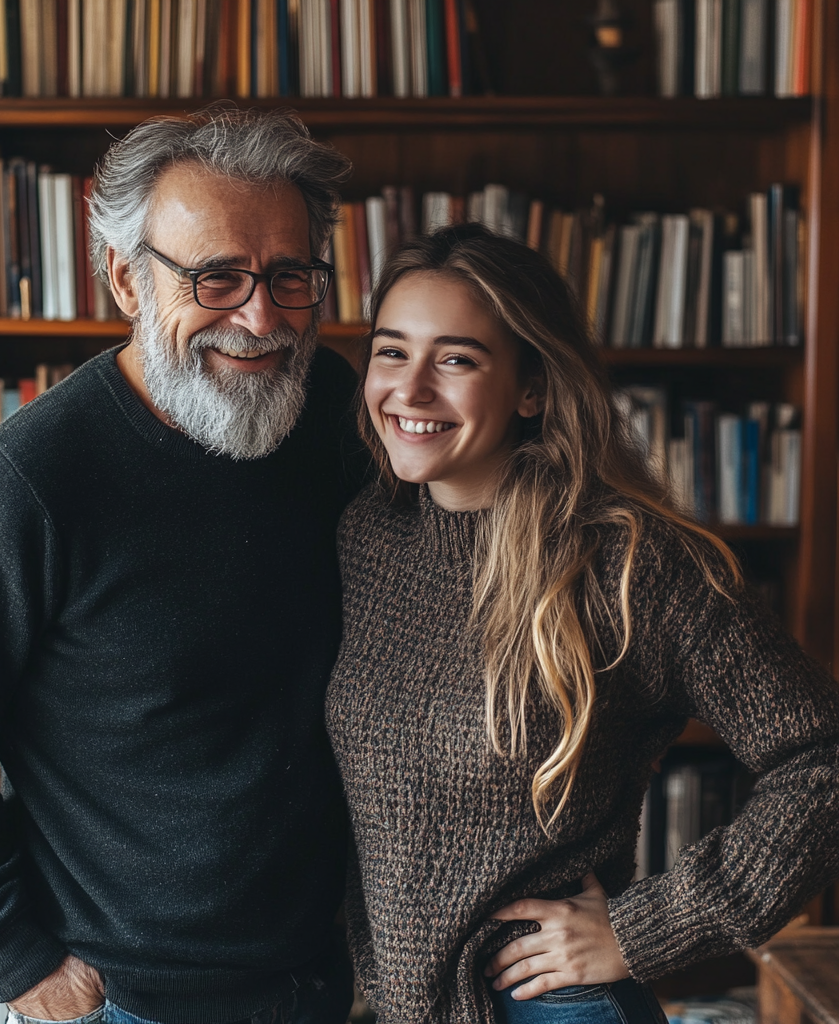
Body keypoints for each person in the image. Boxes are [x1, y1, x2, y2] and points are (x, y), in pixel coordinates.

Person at [0, 107, 364, 1024]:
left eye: (289, 276)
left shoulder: (333, 413)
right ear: (126, 281)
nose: (260, 319)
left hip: (322, 981)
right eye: (214, 277)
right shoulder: (35, 479)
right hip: (123, 1000)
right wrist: (19, 961)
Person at [325, 224, 839, 1024]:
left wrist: (643, 932)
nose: (411, 388)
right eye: (392, 352)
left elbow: (823, 760)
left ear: (533, 388)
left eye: (456, 359)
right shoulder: (367, 536)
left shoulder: (633, 563)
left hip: (556, 1007)